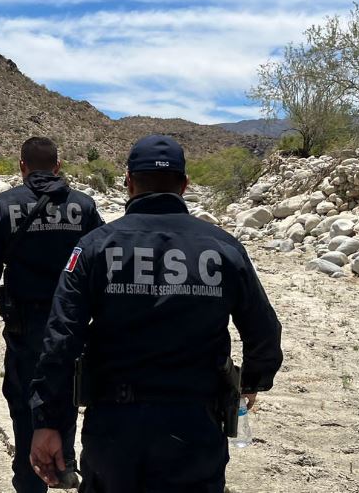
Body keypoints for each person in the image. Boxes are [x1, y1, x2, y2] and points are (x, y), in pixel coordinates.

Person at [28, 135, 283, 493]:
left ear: (129, 182)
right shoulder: (224, 248)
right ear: (185, 185)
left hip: (115, 428)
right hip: (195, 428)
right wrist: (252, 382)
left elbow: (60, 338)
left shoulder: (95, 247)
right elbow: (264, 332)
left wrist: (47, 420)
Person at [0, 136, 104, 492]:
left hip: (25, 325)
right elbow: (104, 262)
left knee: (24, 398)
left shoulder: (4, 205)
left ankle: (31, 477)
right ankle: (65, 462)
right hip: (73, 323)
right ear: (58, 166)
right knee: (68, 389)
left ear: (22, 167)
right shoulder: (84, 206)